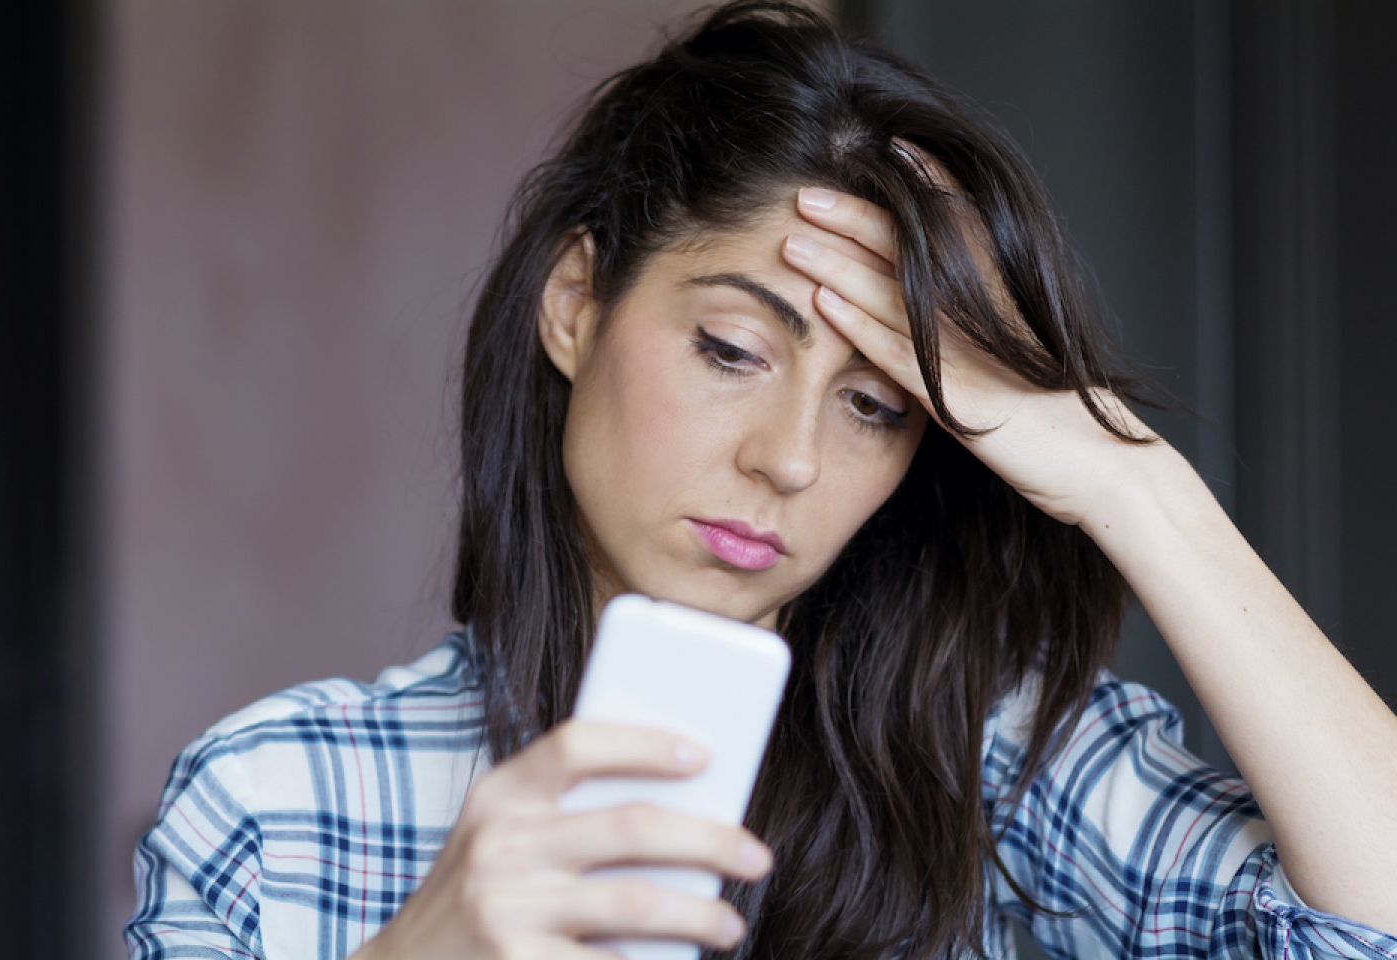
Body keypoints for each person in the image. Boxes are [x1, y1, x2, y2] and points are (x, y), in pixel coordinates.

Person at [125, 4, 1397, 959]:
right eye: (733, 350)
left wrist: (1140, 491)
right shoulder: (277, 802)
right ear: (576, 304)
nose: (788, 460)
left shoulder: (997, 774)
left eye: (875, 407)